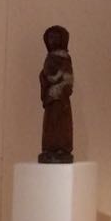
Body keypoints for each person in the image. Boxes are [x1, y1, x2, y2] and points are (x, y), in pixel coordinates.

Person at [39, 26, 74, 163]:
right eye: (50, 38)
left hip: (60, 98)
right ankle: (50, 148)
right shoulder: (50, 58)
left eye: (55, 38)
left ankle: (62, 148)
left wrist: (60, 84)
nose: (52, 41)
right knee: (51, 123)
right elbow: (48, 75)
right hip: (53, 99)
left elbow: (68, 78)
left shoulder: (65, 58)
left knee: (61, 124)